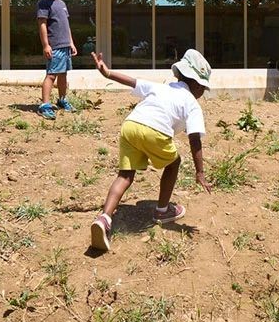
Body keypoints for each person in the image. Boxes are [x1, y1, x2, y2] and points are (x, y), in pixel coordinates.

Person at [88, 48, 213, 252]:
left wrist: (107, 72)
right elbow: (195, 138)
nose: (202, 93)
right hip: (154, 131)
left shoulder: (162, 87)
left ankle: (104, 218)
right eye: (203, 89)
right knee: (174, 163)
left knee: (125, 175)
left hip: (130, 125)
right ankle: (162, 211)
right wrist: (200, 172)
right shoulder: (192, 103)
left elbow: (133, 81)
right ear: (197, 83)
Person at [36, 0, 77, 119]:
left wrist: (71, 42)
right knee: (51, 75)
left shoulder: (62, 3)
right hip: (55, 47)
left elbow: (66, 26)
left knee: (63, 75)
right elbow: (42, 25)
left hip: (65, 46)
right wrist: (46, 45)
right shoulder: (43, 4)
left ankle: (62, 100)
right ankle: (45, 105)